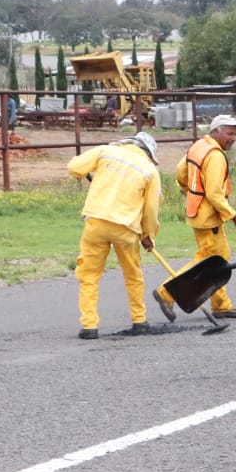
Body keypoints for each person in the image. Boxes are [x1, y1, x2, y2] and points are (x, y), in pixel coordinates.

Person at [67, 132, 162, 340]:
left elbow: (74, 168)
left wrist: (89, 169)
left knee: (89, 276)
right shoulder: (149, 170)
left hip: (96, 222)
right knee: (133, 275)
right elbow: (151, 210)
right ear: (148, 152)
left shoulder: (106, 151)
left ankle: (89, 327)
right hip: (126, 229)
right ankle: (139, 321)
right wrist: (148, 234)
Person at [156, 114, 236, 323]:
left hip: (198, 211)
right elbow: (215, 194)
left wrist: (189, 191)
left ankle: (221, 305)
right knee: (208, 261)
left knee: (221, 257)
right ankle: (166, 293)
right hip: (208, 215)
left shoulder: (199, 146)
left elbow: (181, 173)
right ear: (215, 131)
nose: (233, 138)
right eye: (229, 133)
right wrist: (234, 215)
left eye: (235, 134)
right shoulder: (215, 156)